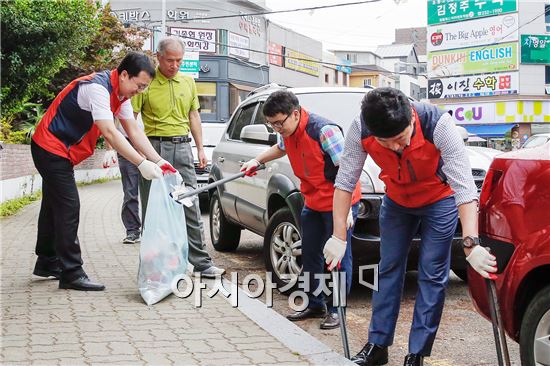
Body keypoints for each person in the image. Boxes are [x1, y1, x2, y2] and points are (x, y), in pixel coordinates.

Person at [323, 87, 497, 366]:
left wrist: (471, 243)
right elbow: (345, 181)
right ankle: (377, 345)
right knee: (388, 269)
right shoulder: (360, 128)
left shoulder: (438, 125)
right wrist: (338, 236)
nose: (396, 147)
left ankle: (417, 353)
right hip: (397, 201)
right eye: (387, 142)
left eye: (401, 139)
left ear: (412, 119)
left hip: (439, 201)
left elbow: (464, 189)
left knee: (432, 274)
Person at [31, 52, 177, 291]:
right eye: (138, 86)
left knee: (53, 204)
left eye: (144, 88)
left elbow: (133, 131)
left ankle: (47, 261)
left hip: (59, 150)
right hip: (50, 147)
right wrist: (141, 164)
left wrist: (158, 160)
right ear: (124, 75)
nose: (139, 92)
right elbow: (110, 132)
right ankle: (72, 273)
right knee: (69, 206)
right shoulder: (96, 89)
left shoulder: (121, 95)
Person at [240, 90, 361, 330]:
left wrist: (346, 211)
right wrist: (257, 161)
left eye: (279, 123)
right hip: (314, 201)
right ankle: (316, 304)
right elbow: (281, 148)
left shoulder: (323, 131)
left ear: (295, 114)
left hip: (338, 203)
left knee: (337, 258)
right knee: (310, 254)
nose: (276, 128)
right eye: (271, 124)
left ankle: (337, 310)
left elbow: (348, 171)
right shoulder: (289, 131)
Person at [132, 37, 224, 279]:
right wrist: (138, 155)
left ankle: (201, 264)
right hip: (154, 149)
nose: (175, 65)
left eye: (179, 61)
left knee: (190, 204)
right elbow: (130, 118)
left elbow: (194, 115)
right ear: (158, 57)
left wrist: (201, 149)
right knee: (155, 207)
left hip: (182, 148)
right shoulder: (146, 83)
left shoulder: (188, 82)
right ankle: (158, 265)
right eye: (170, 60)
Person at [103, 117, 144, 244]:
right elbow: (108, 122)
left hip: (148, 141)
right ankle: (132, 231)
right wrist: (110, 148)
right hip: (125, 144)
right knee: (130, 191)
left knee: (153, 191)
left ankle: (153, 229)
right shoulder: (120, 98)